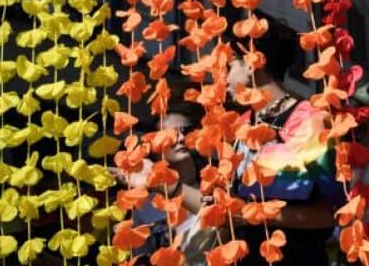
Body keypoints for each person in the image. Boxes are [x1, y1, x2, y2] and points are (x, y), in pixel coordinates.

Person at [228, 28, 344, 265]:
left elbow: (332, 212)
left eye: (229, 67)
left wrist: (257, 214)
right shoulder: (241, 125)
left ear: (251, 64)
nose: (224, 78)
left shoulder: (307, 121)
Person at [112, 98, 221, 264]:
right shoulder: (144, 206)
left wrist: (170, 187)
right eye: (170, 135)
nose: (181, 138)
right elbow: (141, 256)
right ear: (154, 147)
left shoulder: (213, 183)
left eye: (186, 130)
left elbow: (219, 208)